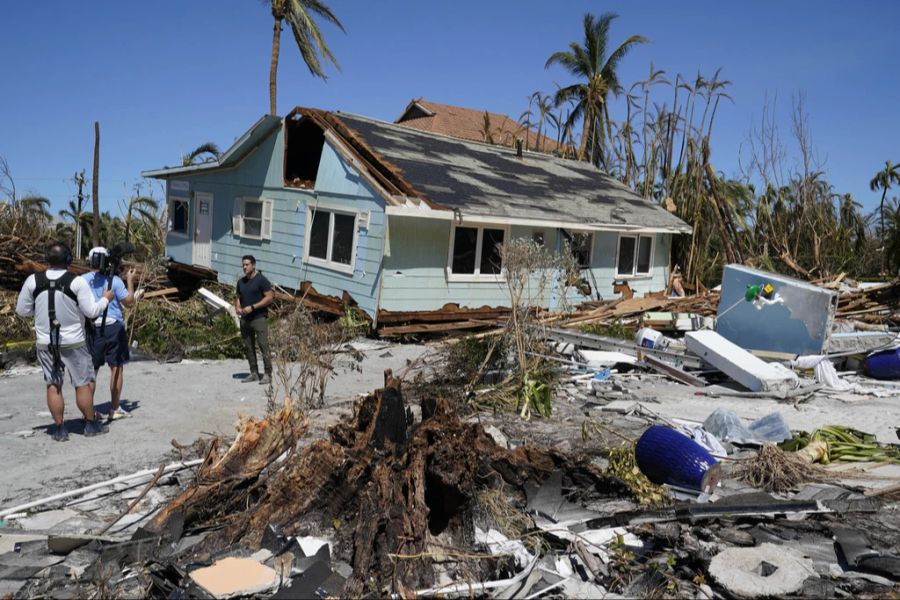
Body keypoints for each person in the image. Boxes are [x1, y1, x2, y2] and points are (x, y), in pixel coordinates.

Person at [16, 241, 115, 441]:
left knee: (53, 384)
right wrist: (105, 299)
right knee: (82, 384)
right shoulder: (77, 282)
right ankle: (90, 425)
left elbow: (22, 310)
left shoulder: (33, 281)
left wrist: (41, 312)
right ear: (69, 260)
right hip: (74, 341)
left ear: (46, 259)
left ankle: (60, 429)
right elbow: (91, 312)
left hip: (45, 341)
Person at [82, 247, 136, 421]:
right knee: (117, 368)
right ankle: (114, 408)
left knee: (92, 370)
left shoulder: (82, 280)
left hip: (92, 327)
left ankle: (89, 411)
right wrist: (130, 281)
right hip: (113, 328)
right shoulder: (115, 281)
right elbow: (129, 302)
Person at [235, 255, 273, 384]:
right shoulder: (241, 282)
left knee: (263, 345)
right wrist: (238, 307)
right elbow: (238, 297)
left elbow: (269, 297)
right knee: (248, 346)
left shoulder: (261, 280)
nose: (244, 267)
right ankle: (254, 373)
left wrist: (253, 307)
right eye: (243, 265)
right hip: (245, 319)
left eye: (247, 264)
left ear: (254, 265)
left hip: (259, 318)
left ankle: (268, 374)